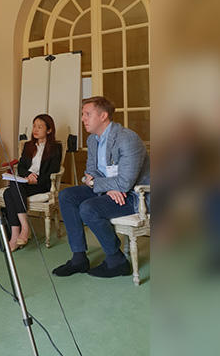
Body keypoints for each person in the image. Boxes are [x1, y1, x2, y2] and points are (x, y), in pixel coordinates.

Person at [53, 96, 149, 278]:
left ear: (103, 116)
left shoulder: (127, 139)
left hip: (133, 195)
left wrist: (96, 183)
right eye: (83, 114)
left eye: (87, 114)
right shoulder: (92, 140)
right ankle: (79, 258)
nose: (83, 119)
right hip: (109, 189)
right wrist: (106, 187)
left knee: (88, 208)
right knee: (67, 196)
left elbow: (125, 183)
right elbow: (91, 171)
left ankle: (117, 261)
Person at [3, 114, 62, 252]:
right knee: (11, 188)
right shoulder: (28, 145)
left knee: (9, 192)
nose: (35, 129)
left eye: (40, 127)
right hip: (26, 181)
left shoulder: (55, 147)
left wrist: (36, 179)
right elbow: (21, 167)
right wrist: (28, 175)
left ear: (49, 130)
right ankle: (20, 231)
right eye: (34, 126)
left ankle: (20, 231)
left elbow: (53, 170)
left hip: (42, 184)